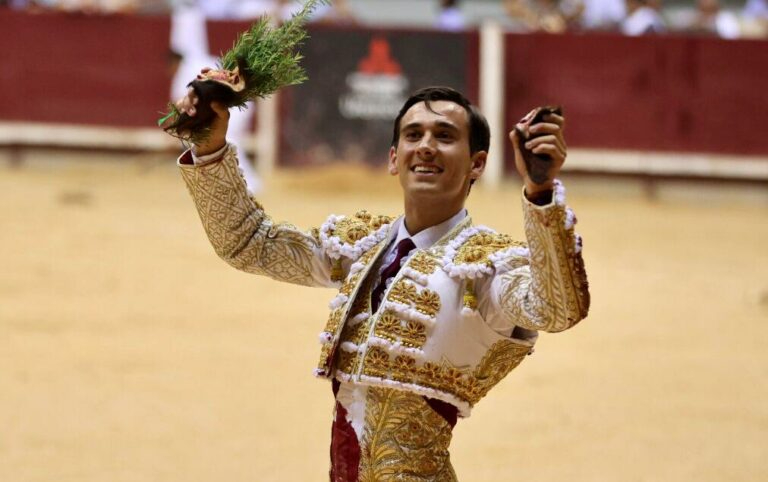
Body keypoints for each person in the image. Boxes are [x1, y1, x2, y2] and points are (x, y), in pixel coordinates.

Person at [170, 76, 590, 480]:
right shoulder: (362, 246)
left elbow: (556, 307)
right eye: (413, 135)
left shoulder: (486, 267)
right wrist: (209, 149)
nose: (425, 146)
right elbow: (249, 244)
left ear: (477, 163)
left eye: (444, 136)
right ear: (394, 158)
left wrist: (540, 194)